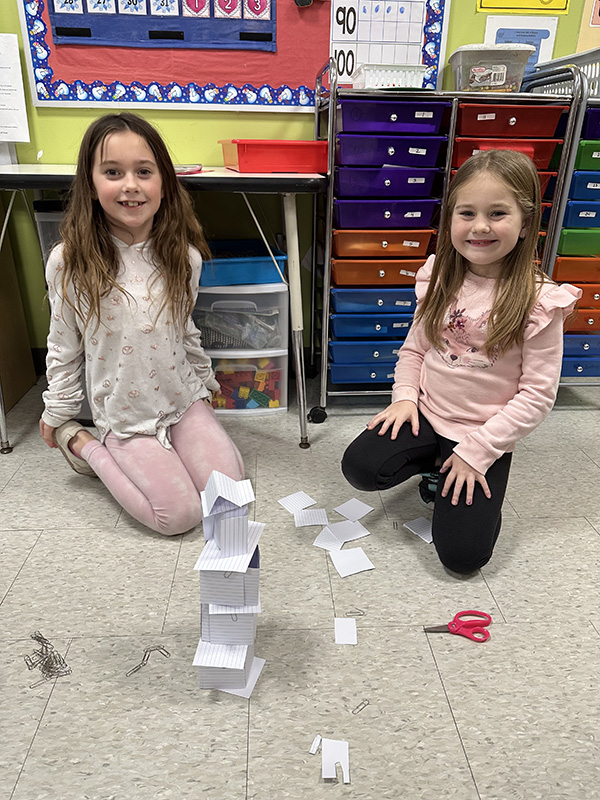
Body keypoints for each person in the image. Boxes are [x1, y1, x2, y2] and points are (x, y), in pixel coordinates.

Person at [341, 149, 581, 574]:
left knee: (463, 557)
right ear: (451, 218)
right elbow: (415, 350)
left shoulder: (539, 302)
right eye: (466, 213)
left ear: (526, 224)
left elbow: (538, 396)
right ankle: (434, 465)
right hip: (428, 416)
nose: (481, 226)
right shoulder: (439, 278)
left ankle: (464, 476)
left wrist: (478, 452)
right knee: (361, 467)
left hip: (483, 434)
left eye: (498, 214)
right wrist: (403, 399)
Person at [39, 112, 244, 535]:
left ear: (164, 183)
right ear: (92, 185)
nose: (130, 185)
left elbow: (184, 329)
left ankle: (178, 435)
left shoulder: (183, 257)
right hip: (125, 414)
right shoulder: (69, 261)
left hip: (181, 399)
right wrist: (59, 414)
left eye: (144, 172)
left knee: (231, 499)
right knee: (178, 517)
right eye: (113, 172)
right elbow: (63, 344)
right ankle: (85, 447)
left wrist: (205, 387)